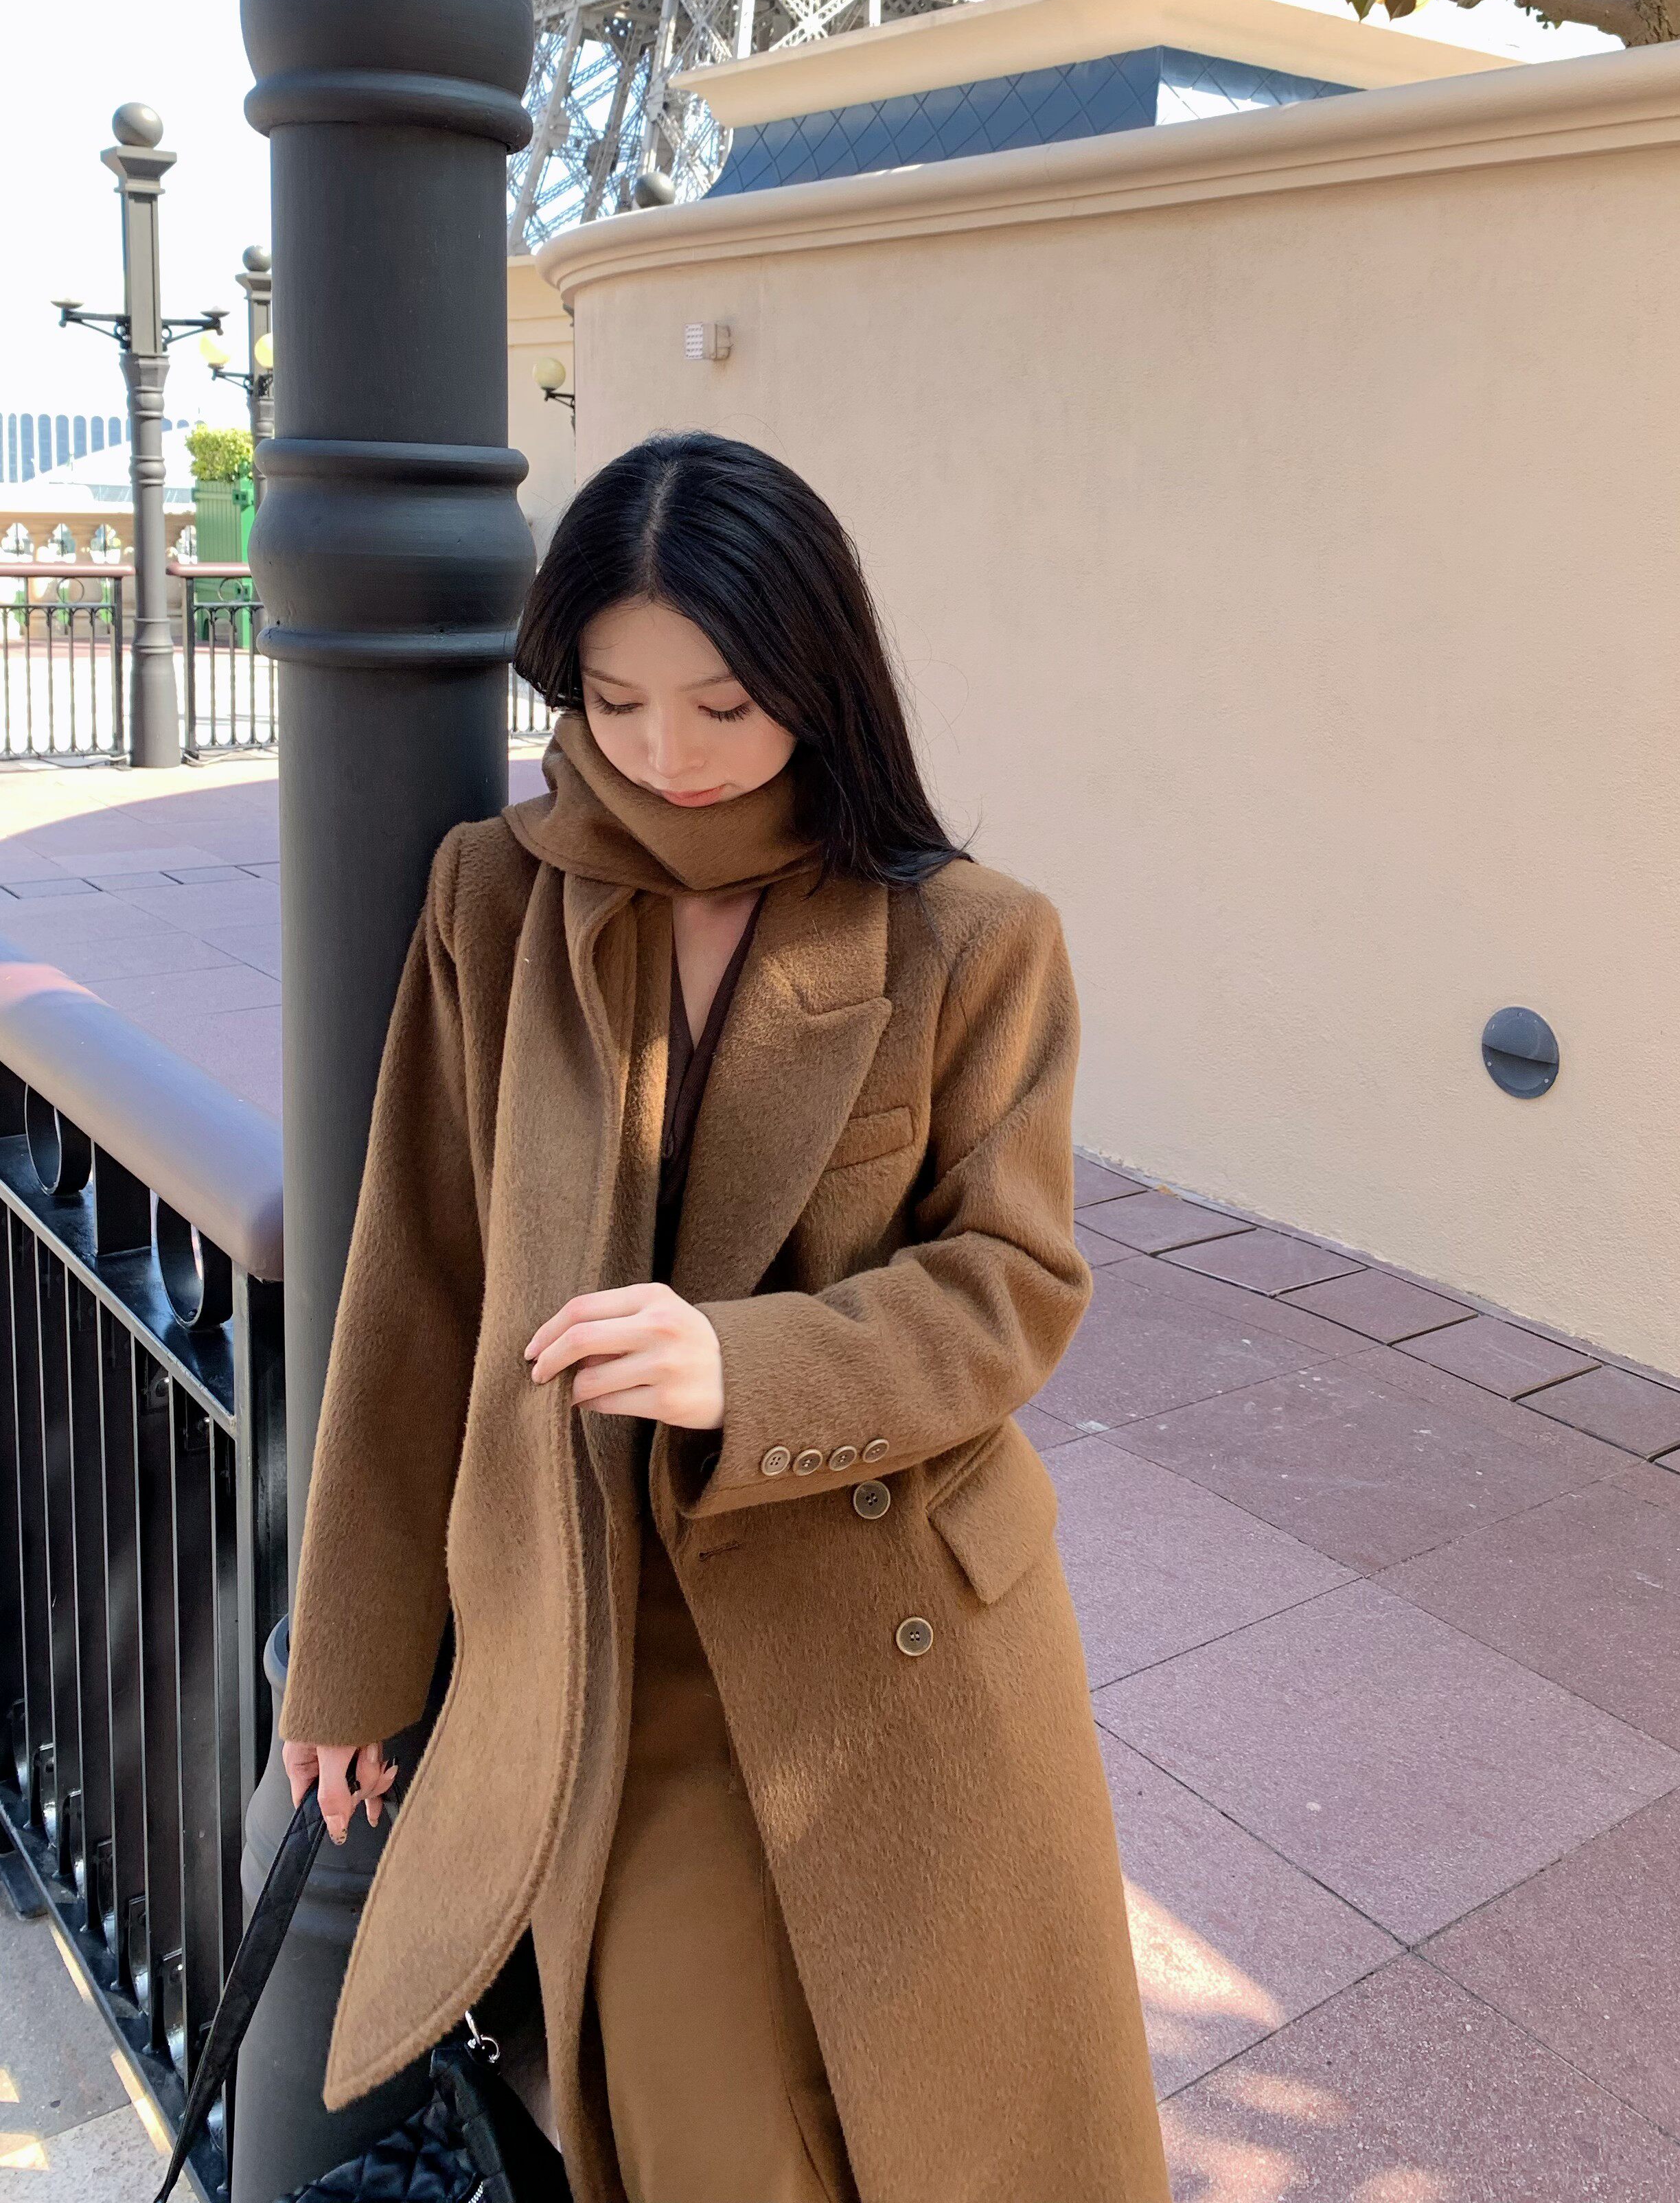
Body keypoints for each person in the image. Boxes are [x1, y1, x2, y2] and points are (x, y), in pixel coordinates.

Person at [277, 432, 1169, 2203]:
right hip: (618, 1632)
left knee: (969, 2121)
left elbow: (1014, 1283)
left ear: (818, 682)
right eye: (616, 704)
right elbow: (417, 1286)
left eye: (726, 705)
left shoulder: (971, 937)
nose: (668, 757)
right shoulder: (498, 902)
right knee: (712, 2128)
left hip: (897, 1634)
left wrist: (743, 1364)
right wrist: (355, 1659)